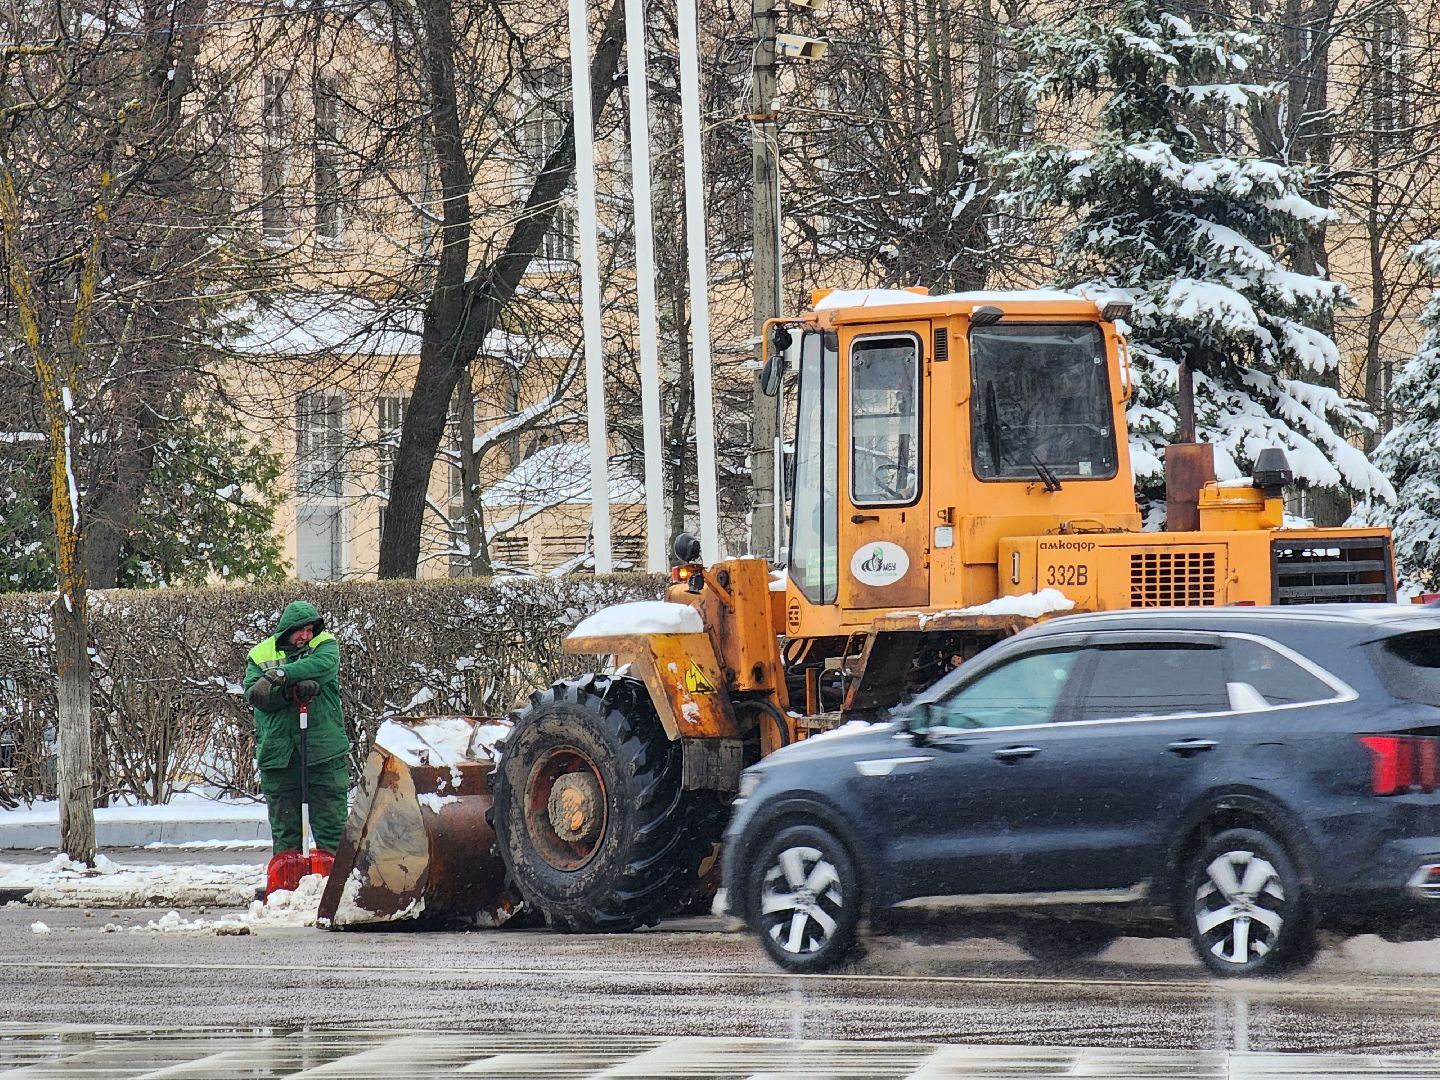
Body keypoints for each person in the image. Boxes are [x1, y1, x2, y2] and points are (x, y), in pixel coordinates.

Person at [242, 600, 349, 886]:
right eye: (299, 630)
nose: (305, 635)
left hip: (322, 753)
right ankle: (286, 887)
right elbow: (257, 695)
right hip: (279, 755)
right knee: (286, 831)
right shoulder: (261, 653)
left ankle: (335, 890)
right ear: (285, 631)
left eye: (309, 629)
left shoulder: (324, 645)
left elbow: (323, 666)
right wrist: (290, 694)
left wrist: (281, 675)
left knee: (331, 828)